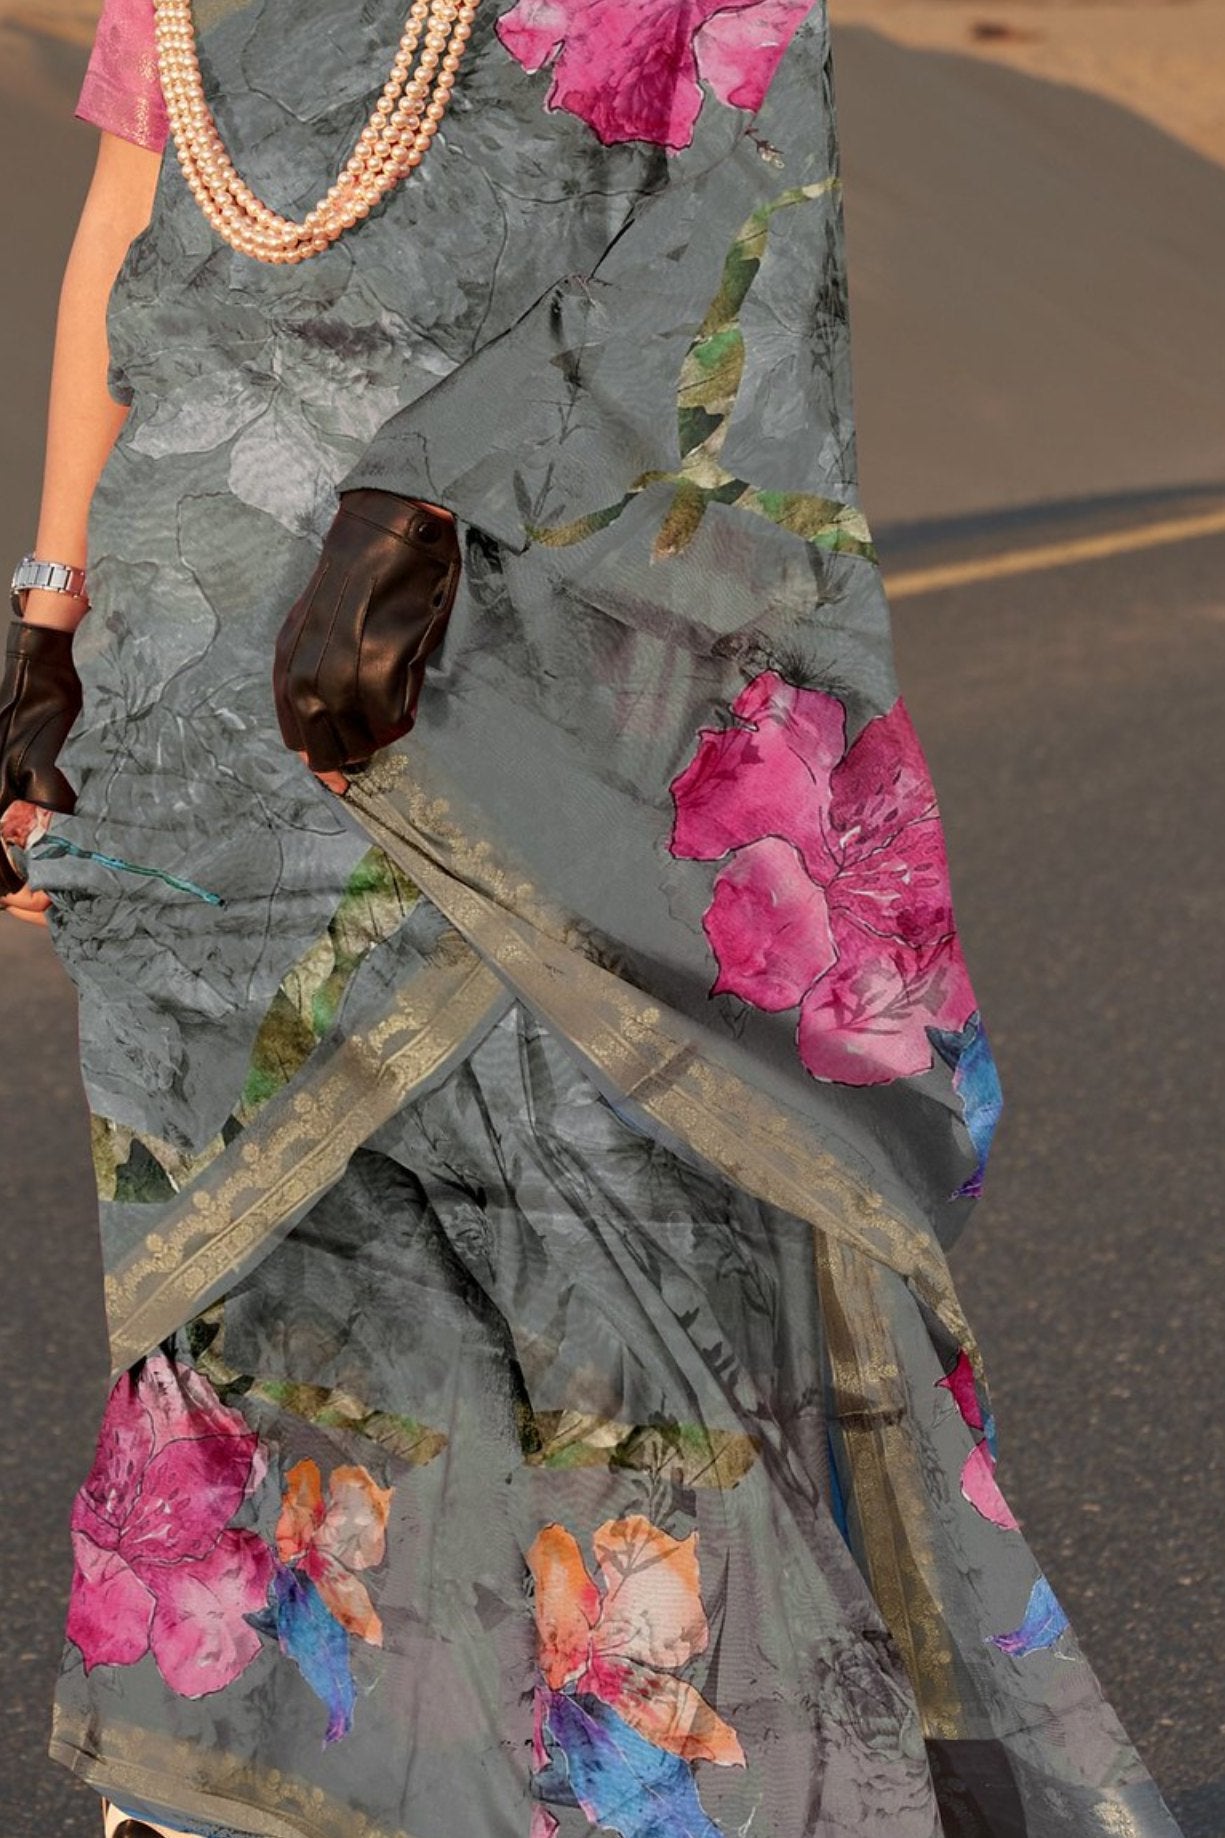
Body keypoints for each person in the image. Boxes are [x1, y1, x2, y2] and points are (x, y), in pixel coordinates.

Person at [0, 2, 1187, 1835]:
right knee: (254, 1254)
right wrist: (50, 617)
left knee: (606, 1240)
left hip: (514, 670)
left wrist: (425, 503)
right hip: (193, 698)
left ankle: (663, 1782)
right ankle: (277, 1785)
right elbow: (117, 239)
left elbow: (734, 243)